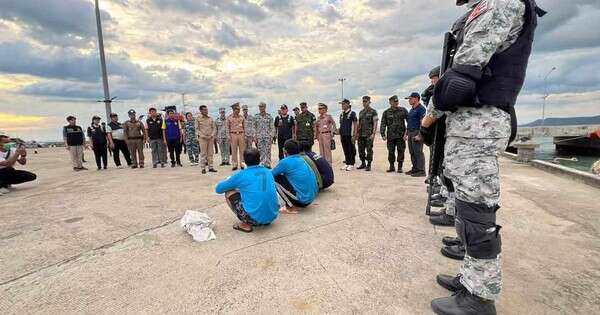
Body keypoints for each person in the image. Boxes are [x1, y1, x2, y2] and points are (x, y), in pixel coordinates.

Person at [422, 0, 544, 314]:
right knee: (466, 207)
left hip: (479, 123)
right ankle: (471, 278)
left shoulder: (502, 3)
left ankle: (480, 297)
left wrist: (429, 117)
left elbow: (463, 72)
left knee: (477, 214)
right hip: (471, 123)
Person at [215, 148, 279, 233]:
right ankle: (263, 217)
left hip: (255, 219)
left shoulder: (242, 175)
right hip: (272, 216)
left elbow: (218, 189)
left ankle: (246, 223)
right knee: (253, 190)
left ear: (244, 160)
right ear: (259, 159)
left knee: (229, 192)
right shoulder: (267, 171)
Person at [271, 139, 318, 214]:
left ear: (285, 150)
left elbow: (270, 174)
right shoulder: (301, 159)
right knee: (284, 175)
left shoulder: (285, 162)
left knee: (275, 179)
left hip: (302, 200)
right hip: (311, 198)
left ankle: (290, 206)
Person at [380, 95, 408, 173]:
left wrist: (407, 133)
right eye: (394, 102)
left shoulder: (403, 110)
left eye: (397, 101)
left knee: (401, 150)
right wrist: (383, 134)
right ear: (390, 102)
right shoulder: (386, 112)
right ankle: (392, 166)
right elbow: (383, 123)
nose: (396, 103)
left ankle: (400, 167)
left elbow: (409, 121)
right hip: (391, 136)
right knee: (391, 151)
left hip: (401, 135)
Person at [404, 92, 426, 177]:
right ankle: (415, 168)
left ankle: (421, 171)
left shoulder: (421, 109)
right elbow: (409, 122)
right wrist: (406, 134)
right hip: (410, 132)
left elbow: (422, 123)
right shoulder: (412, 109)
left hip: (417, 132)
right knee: (412, 152)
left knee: (418, 152)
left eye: (410, 99)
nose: (409, 100)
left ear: (416, 98)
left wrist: (420, 135)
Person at [357, 96, 378, 171]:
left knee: (369, 150)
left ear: (369, 102)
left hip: (369, 134)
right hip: (361, 134)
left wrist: (373, 133)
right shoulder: (361, 112)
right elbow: (359, 124)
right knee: (361, 150)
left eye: (366, 101)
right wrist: (357, 134)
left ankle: (369, 164)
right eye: (363, 101)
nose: (364, 103)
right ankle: (363, 163)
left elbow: (375, 122)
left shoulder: (373, 111)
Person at [196, 105, 217, 174]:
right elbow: (196, 129)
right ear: (201, 111)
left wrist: (212, 135)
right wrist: (203, 136)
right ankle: (203, 168)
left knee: (210, 153)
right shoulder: (198, 119)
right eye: (204, 110)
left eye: (206, 109)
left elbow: (214, 128)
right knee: (203, 153)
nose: (206, 111)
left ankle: (211, 167)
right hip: (203, 139)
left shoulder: (210, 118)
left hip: (210, 138)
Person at [253, 102, 275, 168]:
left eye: (262, 106)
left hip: (267, 137)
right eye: (260, 107)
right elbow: (254, 127)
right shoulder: (256, 117)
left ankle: (268, 164)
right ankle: (262, 164)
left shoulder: (269, 117)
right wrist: (255, 136)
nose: (261, 108)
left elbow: (272, 127)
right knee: (260, 151)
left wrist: (271, 136)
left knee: (268, 151)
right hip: (259, 137)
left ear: (265, 107)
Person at [338, 99, 358, 171]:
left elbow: (355, 124)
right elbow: (341, 125)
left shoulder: (352, 113)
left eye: (343, 104)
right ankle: (347, 163)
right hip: (343, 134)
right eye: (341, 104)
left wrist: (354, 135)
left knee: (351, 149)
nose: (342, 106)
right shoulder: (341, 114)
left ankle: (351, 164)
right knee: (345, 149)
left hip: (350, 135)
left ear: (348, 104)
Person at [227, 103, 246, 170]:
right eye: (236, 109)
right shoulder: (229, 117)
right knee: (234, 150)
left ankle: (242, 164)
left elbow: (245, 127)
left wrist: (245, 135)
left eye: (239, 109)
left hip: (241, 134)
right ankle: (234, 165)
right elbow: (227, 128)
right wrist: (228, 136)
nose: (238, 110)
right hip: (233, 134)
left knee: (242, 150)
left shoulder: (242, 117)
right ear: (233, 109)